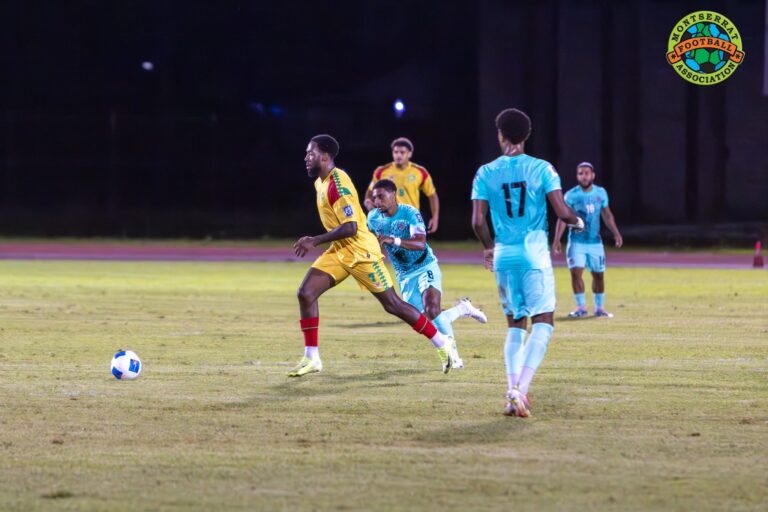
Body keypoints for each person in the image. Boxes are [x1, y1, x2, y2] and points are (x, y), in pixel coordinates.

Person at [290, 134, 459, 377]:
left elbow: (351, 227)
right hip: (340, 250)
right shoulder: (320, 181)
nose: (306, 158)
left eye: (311, 153)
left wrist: (314, 240)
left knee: (393, 305)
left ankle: (442, 342)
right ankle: (312, 357)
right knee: (305, 293)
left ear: (325, 156)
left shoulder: (339, 183)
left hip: (361, 252)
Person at [471, 108, 583, 418]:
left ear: (501, 135)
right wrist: (577, 221)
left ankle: (511, 394)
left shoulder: (485, 172)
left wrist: (488, 248)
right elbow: (562, 211)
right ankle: (520, 388)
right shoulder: (543, 168)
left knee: (515, 325)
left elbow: (477, 220)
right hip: (534, 254)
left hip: (504, 255)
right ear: (526, 136)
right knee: (544, 322)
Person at [367, 179, 488, 369]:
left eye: (381, 196)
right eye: (374, 198)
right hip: (404, 275)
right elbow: (370, 241)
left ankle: (454, 358)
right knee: (429, 320)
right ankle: (463, 308)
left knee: (432, 308)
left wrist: (392, 240)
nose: (377, 202)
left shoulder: (409, 213)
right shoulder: (373, 218)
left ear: (393, 194)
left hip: (424, 265)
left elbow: (420, 242)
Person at [552, 162, 623, 318]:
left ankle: (599, 308)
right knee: (576, 273)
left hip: (595, 242)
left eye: (586, 173)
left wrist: (616, 233)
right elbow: (563, 218)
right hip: (576, 242)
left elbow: (607, 215)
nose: (584, 176)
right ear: (577, 176)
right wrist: (557, 239)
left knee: (598, 275)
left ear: (593, 175)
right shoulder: (571, 195)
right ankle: (581, 307)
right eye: (580, 173)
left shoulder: (601, 193)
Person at [363, 138, 440, 233]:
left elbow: (432, 195)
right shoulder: (381, 171)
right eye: (396, 152)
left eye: (402, 152)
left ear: (409, 154)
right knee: (385, 245)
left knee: (414, 246)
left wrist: (435, 218)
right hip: (388, 220)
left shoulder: (420, 172)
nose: (398, 155)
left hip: (411, 219)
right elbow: (370, 191)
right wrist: (368, 202)